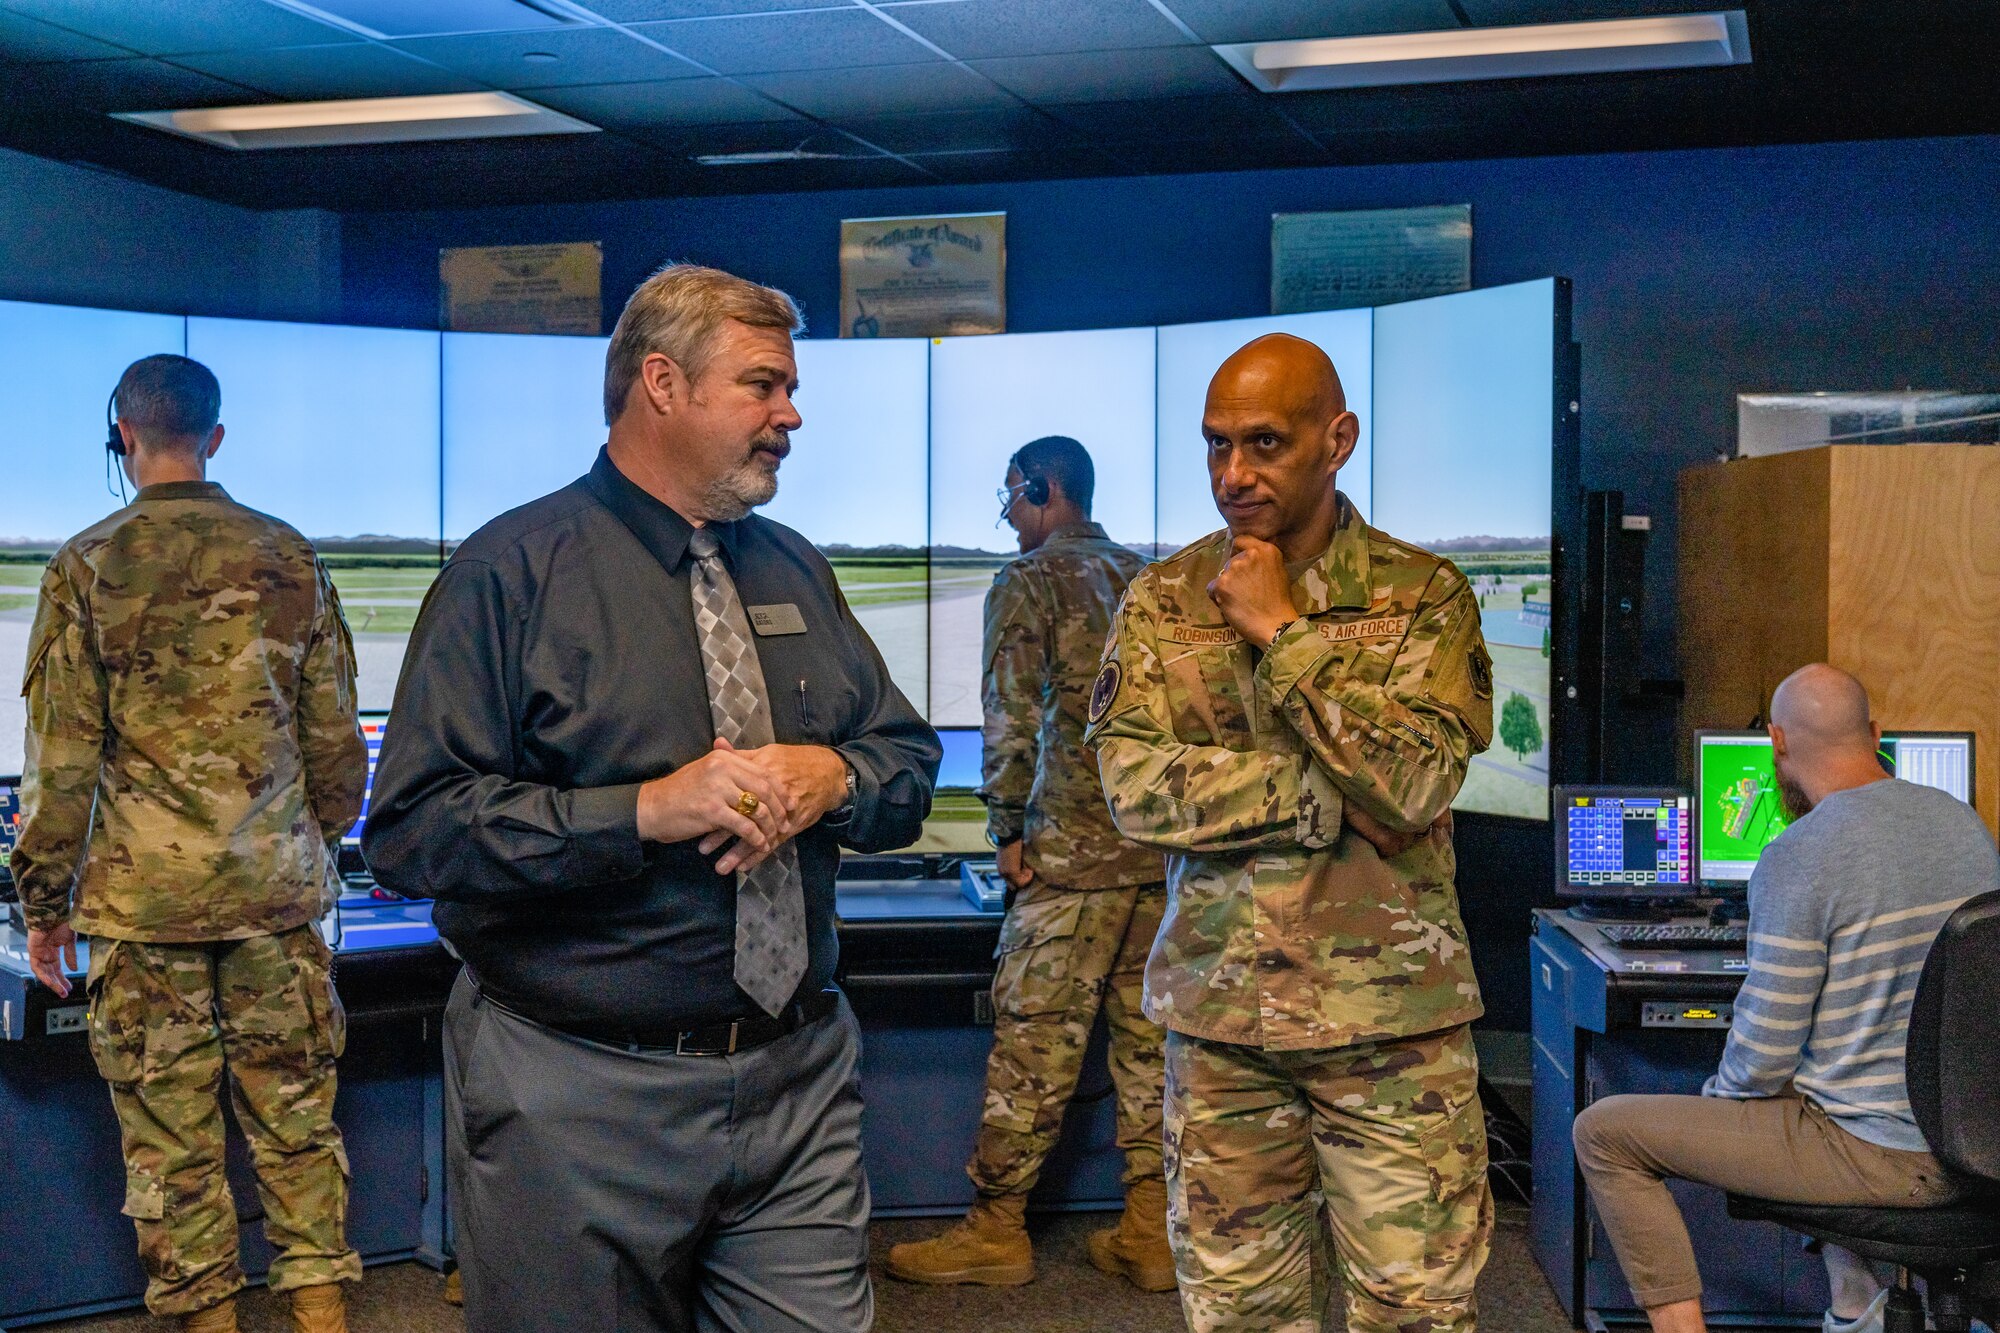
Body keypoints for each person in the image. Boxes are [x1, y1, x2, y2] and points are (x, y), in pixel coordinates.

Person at [364, 262, 940, 1333]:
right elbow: (410, 829)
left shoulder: (794, 569)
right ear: (663, 383)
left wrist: (838, 778)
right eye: (762, 387)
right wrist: (640, 813)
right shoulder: (512, 572)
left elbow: (900, 756)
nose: (790, 414)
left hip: (796, 1080)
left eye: (788, 389)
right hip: (579, 1090)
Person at [1085, 333, 1497, 1333]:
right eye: (1215, 444)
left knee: (1414, 1313)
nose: (1234, 474)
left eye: (1263, 442)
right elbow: (1133, 791)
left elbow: (1409, 783)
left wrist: (1280, 633)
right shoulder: (1162, 601)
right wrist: (1317, 800)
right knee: (1238, 1314)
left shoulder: (1422, 596)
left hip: (1389, 1029)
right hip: (1220, 1024)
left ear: (1336, 438)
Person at [14, 354, 367, 1333]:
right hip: (278, 904)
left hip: (146, 913)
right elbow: (337, 750)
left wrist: (44, 908)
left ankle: (207, 1317)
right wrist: (307, 844)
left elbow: (63, 769)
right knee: (297, 1127)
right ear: (214, 437)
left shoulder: (85, 567)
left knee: (172, 1149)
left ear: (120, 437)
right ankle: (322, 1313)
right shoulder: (290, 558)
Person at [1573, 664, 1995, 1333]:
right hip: (1977, 1143)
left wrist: (1722, 1105)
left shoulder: (1800, 853)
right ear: (1875, 734)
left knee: (1605, 1131)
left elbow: (1761, 1060)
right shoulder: (1963, 822)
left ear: (1777, 743)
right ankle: (1855, 1299)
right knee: (1811, 1088)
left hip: (1884, 1157)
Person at [887, 437, 1171, 1291]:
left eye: (1011, 497)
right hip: (1158, 863)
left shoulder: (1027, 581)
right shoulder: (1151, 579)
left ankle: (995, 1229)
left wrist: (1005, 827)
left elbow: (1010, 710)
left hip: (1068, 864)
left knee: (1031, 1054)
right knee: (1153, 1058)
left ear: (1044, 490)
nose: (1007, 515)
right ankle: (1154, 1233)